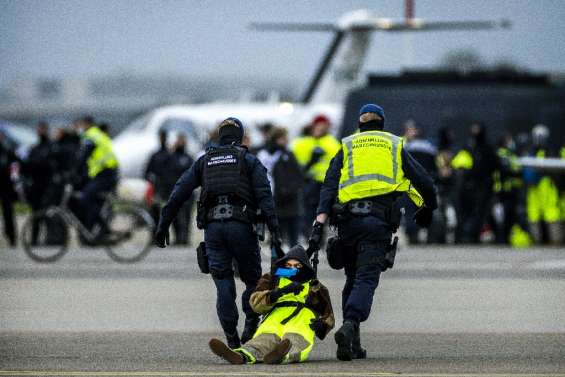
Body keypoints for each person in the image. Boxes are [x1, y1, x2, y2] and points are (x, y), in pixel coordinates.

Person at [311, 104, 437, 361]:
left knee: (351, 276)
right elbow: (423, 180)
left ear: (360, 124)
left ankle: (352, 343)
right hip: (376, 223)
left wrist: (318, 224)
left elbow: (328, 185)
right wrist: (428, 207)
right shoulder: (394, 144)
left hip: (348, 222)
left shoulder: (347, 145)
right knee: (366, 278)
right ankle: (350, 324)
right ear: (382, 123)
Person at [154, 117, 282, 349]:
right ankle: (250, 327)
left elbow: (178, 193)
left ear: (218, 137)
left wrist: (163, 225)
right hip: (242, 226)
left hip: (213, 229)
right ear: (240, 137)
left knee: (223, 281)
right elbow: (265, 198)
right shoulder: (248, 160)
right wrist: (276, 233)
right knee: (252, 280)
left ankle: (231, 338)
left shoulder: (204, 162)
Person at [209, 245, 334, 364]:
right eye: (288, 265)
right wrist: (278, 293)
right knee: (260, 343)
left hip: (300, 324)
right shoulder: (273, 279)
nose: (292, 269)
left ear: (304, 266)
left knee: (294, 343)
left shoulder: (315, 287)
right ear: (283, 265)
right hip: (273, 322)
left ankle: (281, 356)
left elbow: (329, 316)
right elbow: (255, 303)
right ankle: (240, 356)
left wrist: (321, 325)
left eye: (297, 265)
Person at [291, 115, 340, 238]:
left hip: (324, 183)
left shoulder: (331, 143)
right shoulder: (306, 142)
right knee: (311, 211)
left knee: (320, 211)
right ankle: (310, 235)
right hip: (310, 182)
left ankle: (316, 236)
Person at [256, 128, 303, 249]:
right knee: (277, 238)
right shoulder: (264, 155)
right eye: (283, 138)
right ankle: (276, 263)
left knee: (294, 239)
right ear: (276, 139)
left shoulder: (288, 154)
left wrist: (289, 191)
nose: (286, 141)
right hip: (275, 202)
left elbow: (298, 176)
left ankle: (293, 264)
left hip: (291, 202)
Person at [74, 116, 120, 239]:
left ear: (86, 124)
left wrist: (73, 174)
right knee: (96, 203)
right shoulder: (99, 134)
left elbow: (83, 156)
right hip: (108, 173)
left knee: (86, 199)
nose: (80, 128)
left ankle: (104, 228)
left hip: (104, 174)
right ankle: (98, 234)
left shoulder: (91, 136)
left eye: (81, 125)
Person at [451, 123, 497, 243]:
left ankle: (473, 236)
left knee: (480, 213)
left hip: (483, 186)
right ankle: (465, 236)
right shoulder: (468, 147)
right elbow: (458, 165)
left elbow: (493, 166)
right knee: (468, 212)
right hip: (469, 186)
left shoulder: (487, 148)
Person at [523, 125, 562, 244]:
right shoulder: (530, 152)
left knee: (551, 214)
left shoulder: (551, 151)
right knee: (534, 215)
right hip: (534, 189)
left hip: (547, 187)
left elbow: (556, 170)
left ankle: (555, 240)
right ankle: (537, 241)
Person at [402, 120, 438, 244]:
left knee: (410, 210)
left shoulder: (405, 148)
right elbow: (434, 168)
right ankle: (430, 237)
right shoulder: (430, 148)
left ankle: (413, 236)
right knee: (427, 208)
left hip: (410, 184)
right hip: (426, 184)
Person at [169, 134, 195, 245]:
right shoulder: (171, 157)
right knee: (175, 215)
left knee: (186, 215)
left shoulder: (188, 158)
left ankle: (184, 238)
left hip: (187, 191)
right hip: (174, 190)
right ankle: (178, 238)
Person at [0, 132, 19, 247]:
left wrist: (15, 181)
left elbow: (15, 167)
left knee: (8, 213)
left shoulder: (7, 151)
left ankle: (11, 237)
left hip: (6, 186)